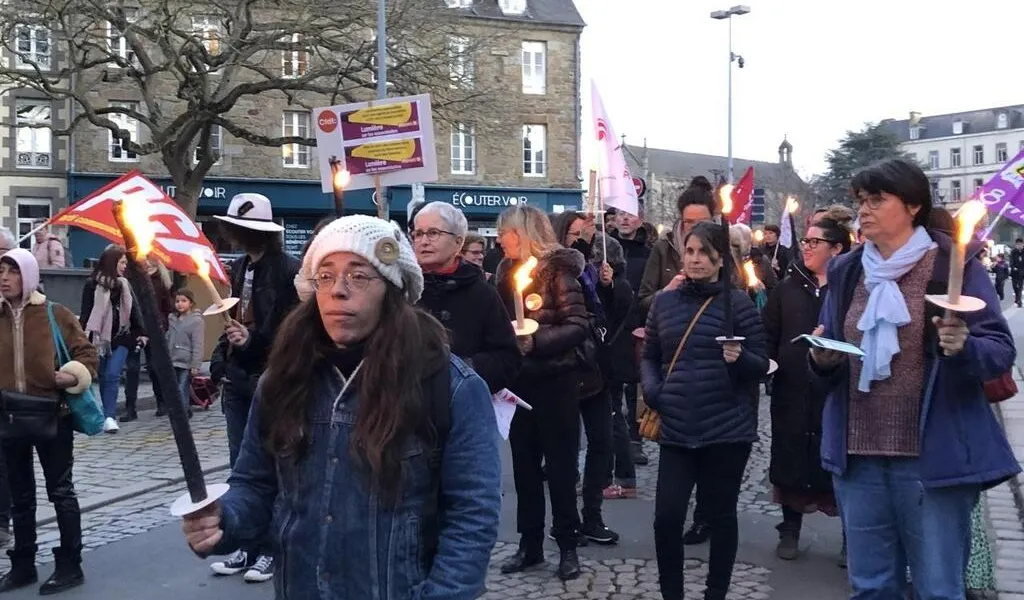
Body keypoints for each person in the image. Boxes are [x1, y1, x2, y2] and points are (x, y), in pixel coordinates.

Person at [182, 215, 502, 599]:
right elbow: (255, 483)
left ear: (392, 289)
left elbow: (472, 514)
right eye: (327, 277)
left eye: (359, 276)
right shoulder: (283, 380)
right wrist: (224, 520)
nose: (339, 291)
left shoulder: (449, 386)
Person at [811, 158, 1020, 599]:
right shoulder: (848, 270)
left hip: (931, 461)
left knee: (938, 589)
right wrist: (823, 358)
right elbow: (831, 343)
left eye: (876, 200)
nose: (863, 210)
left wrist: (964, 346)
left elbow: (999, 352)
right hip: (859, 456)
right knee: (870, 587)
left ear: (912, 206)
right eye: (861, 201)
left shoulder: (952, 264)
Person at [641, 221, 767, 600]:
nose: (695, 260)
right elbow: (649, 355)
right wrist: (654, 391)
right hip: (678, 426)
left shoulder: (738, 303)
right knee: (666, 519)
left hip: (726, 430)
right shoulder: (664, 302)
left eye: (703, 253)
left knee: (721, 515)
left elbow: (761, 365)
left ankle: (715, 592)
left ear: (718, 258)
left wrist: (740, 357)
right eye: (690, 251)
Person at [208, 193, 300, 582]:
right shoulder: (239, 267)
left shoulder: (287, 271)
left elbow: (290, 332)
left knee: (273, 467)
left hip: (272, 381)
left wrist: (255, 341)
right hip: (239, 380)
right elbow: (229, 322)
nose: (238, 235)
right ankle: (246, 544)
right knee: (241, 468)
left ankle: (269, 549)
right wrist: (220, 361)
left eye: (246, 229)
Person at [495, 205, 590, 581]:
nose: (501, 239)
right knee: (524, 469)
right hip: (520, 386)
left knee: (562, 469)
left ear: (524, 232)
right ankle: (529, 544)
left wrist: (536, 342)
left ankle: (568, 544)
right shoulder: (503, 273)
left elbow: (578, 325)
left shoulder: (558, 272)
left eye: (506, 232)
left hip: (556, 383)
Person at [0, 249, 97, 594]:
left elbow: (87, 354)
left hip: (52, 415)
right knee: (20, 497)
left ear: (27, 276)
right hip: (9, 417)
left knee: (61, 492)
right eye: (1, 270)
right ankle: (23, 564)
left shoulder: (55, 314)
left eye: (12, 271)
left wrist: (71, 377)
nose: (4, 277)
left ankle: (70, 564)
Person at [763, 217, 852, 563]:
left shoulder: (851, 289)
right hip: (792, 390)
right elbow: (768, 333)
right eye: (806, 242)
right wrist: (767, 364)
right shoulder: (787, 287)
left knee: (840, 464)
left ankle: (850, 537)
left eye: (816, 242)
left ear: (837, 248)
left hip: (836, 391)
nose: (807, 247)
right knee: (790, 457)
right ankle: (790, 529)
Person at [549, 211, 622, 546]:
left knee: (602, 444)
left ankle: (593, 515)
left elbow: (609, 316)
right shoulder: (550, 272)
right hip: (566, 370)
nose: (579, 239)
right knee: (564, 450)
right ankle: (567, 521)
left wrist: (610, 285)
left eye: (584, 233)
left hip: (596, 369)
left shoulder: (591, 270)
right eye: (573, 234)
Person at [637, 181, 717, 474]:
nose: (694, 230)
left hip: (712, 374)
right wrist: (666, 292)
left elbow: (739, 306)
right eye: (688, 223)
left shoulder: (726, 253)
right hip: (673, 367)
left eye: (702, 223)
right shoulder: (664, 248)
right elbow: (643, 300)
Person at [411, 202, 521, 393]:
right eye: (418, 234)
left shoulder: (482, 293)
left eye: (433, 233)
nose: (423, 241)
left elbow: (507, 359)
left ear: (458, 242)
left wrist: (462, 369)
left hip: (462, 407)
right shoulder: (401, 290)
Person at [79, 245, 144, 434]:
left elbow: (134, 311)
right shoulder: (91, 285)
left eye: (125, 262)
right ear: (112, 262)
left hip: (122, 337)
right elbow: (86, 311)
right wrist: (81, 335)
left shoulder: (125, 285)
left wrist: (141, 332)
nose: (124, 266)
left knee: (113, 375)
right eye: (122, 262)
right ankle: (106, 414)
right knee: (103, 375)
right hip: (99, 339)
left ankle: (109, 416)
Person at [123, 258, 174, 421]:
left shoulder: (161, 282)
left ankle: (162, 402)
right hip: (135, 327)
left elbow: (167, 308)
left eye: (152, 264)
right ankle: (130, 408)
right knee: (132, 369)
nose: (149, 267)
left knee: (154, 367)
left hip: (154, 328)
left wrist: (162, 326)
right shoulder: (132, 279)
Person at [168, 288, 204, 417]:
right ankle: (185, 409)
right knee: (175, 388)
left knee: (182, 387)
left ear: (191, 303)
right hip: (172, 359)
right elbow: (169, 337)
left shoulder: (196, 321)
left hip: (186, 361)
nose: (180, 304)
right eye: (177, 301)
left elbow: (198, 344)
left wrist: (196, 365)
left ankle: (181, 413)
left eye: (184, 301)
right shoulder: (172, 319)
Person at [1010, 238, 1024, 307]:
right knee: (1015, 286)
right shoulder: (1013, 252)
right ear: (1016, 245)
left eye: (1020, 244)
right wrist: (1013, 267)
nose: (1019, 246)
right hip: (1015, 272)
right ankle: (1017, 298)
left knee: (1020, 287)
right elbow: (1011, 261)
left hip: (1022, 272)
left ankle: (1019, 301)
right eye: (1018, 244)